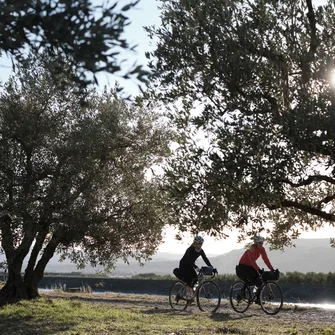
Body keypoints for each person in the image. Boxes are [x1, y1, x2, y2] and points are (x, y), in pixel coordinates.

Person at [236, 235, 275, 304]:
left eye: (262, 243)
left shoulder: (262, 249)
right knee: (250, 277)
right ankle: (242, 291)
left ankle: (257, 299)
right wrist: (258, 269)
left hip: (251, 266)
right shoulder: (251, 248)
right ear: (256, 243)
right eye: (260, 243)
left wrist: (272, 269)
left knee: (260, 280)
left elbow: (266, 259)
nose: (261, 244)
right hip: (243, 266)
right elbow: (252, 261)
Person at [177, 235, 216, 300]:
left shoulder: (201, 251)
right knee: (189, 278)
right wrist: (195, 267)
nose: (201, 245)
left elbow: (205, 259)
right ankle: (188, 295)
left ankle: (191, 294)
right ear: (195, 243)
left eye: (201, 243)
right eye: (199, 243)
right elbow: (188, 260)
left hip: (191, 265)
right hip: (184, 265)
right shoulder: (190, 249)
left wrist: (211, 267)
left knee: (195, 279)